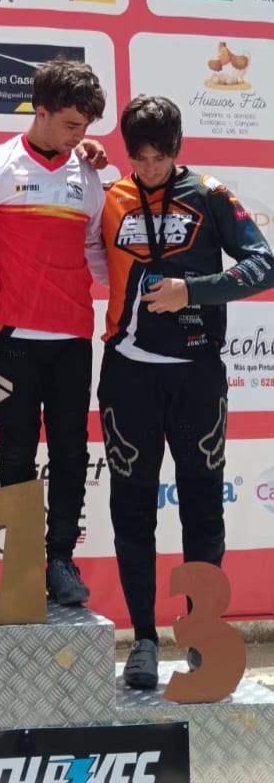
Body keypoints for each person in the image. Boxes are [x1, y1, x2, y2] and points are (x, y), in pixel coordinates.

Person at [96, 95, 274, 689]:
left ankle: (200, 637)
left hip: (197, 374)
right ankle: (143, 641)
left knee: (202, 507)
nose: (148, 168)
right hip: (128, 374)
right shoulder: (112, 196)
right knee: (131, 508)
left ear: (177, 149)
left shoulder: (211, 193)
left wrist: (191, 291)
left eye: (159, 157)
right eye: (139, 158)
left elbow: (263, 264)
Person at [0, 58, 107, 608]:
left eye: (86, 127)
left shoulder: (90, 174)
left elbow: (98, 255)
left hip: (72, 338)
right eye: (72, 124)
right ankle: (24, 566)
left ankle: (61, 561)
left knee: (71, 452)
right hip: (11, 339)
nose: (80, 136)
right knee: (15, 452)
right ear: (41, 111)